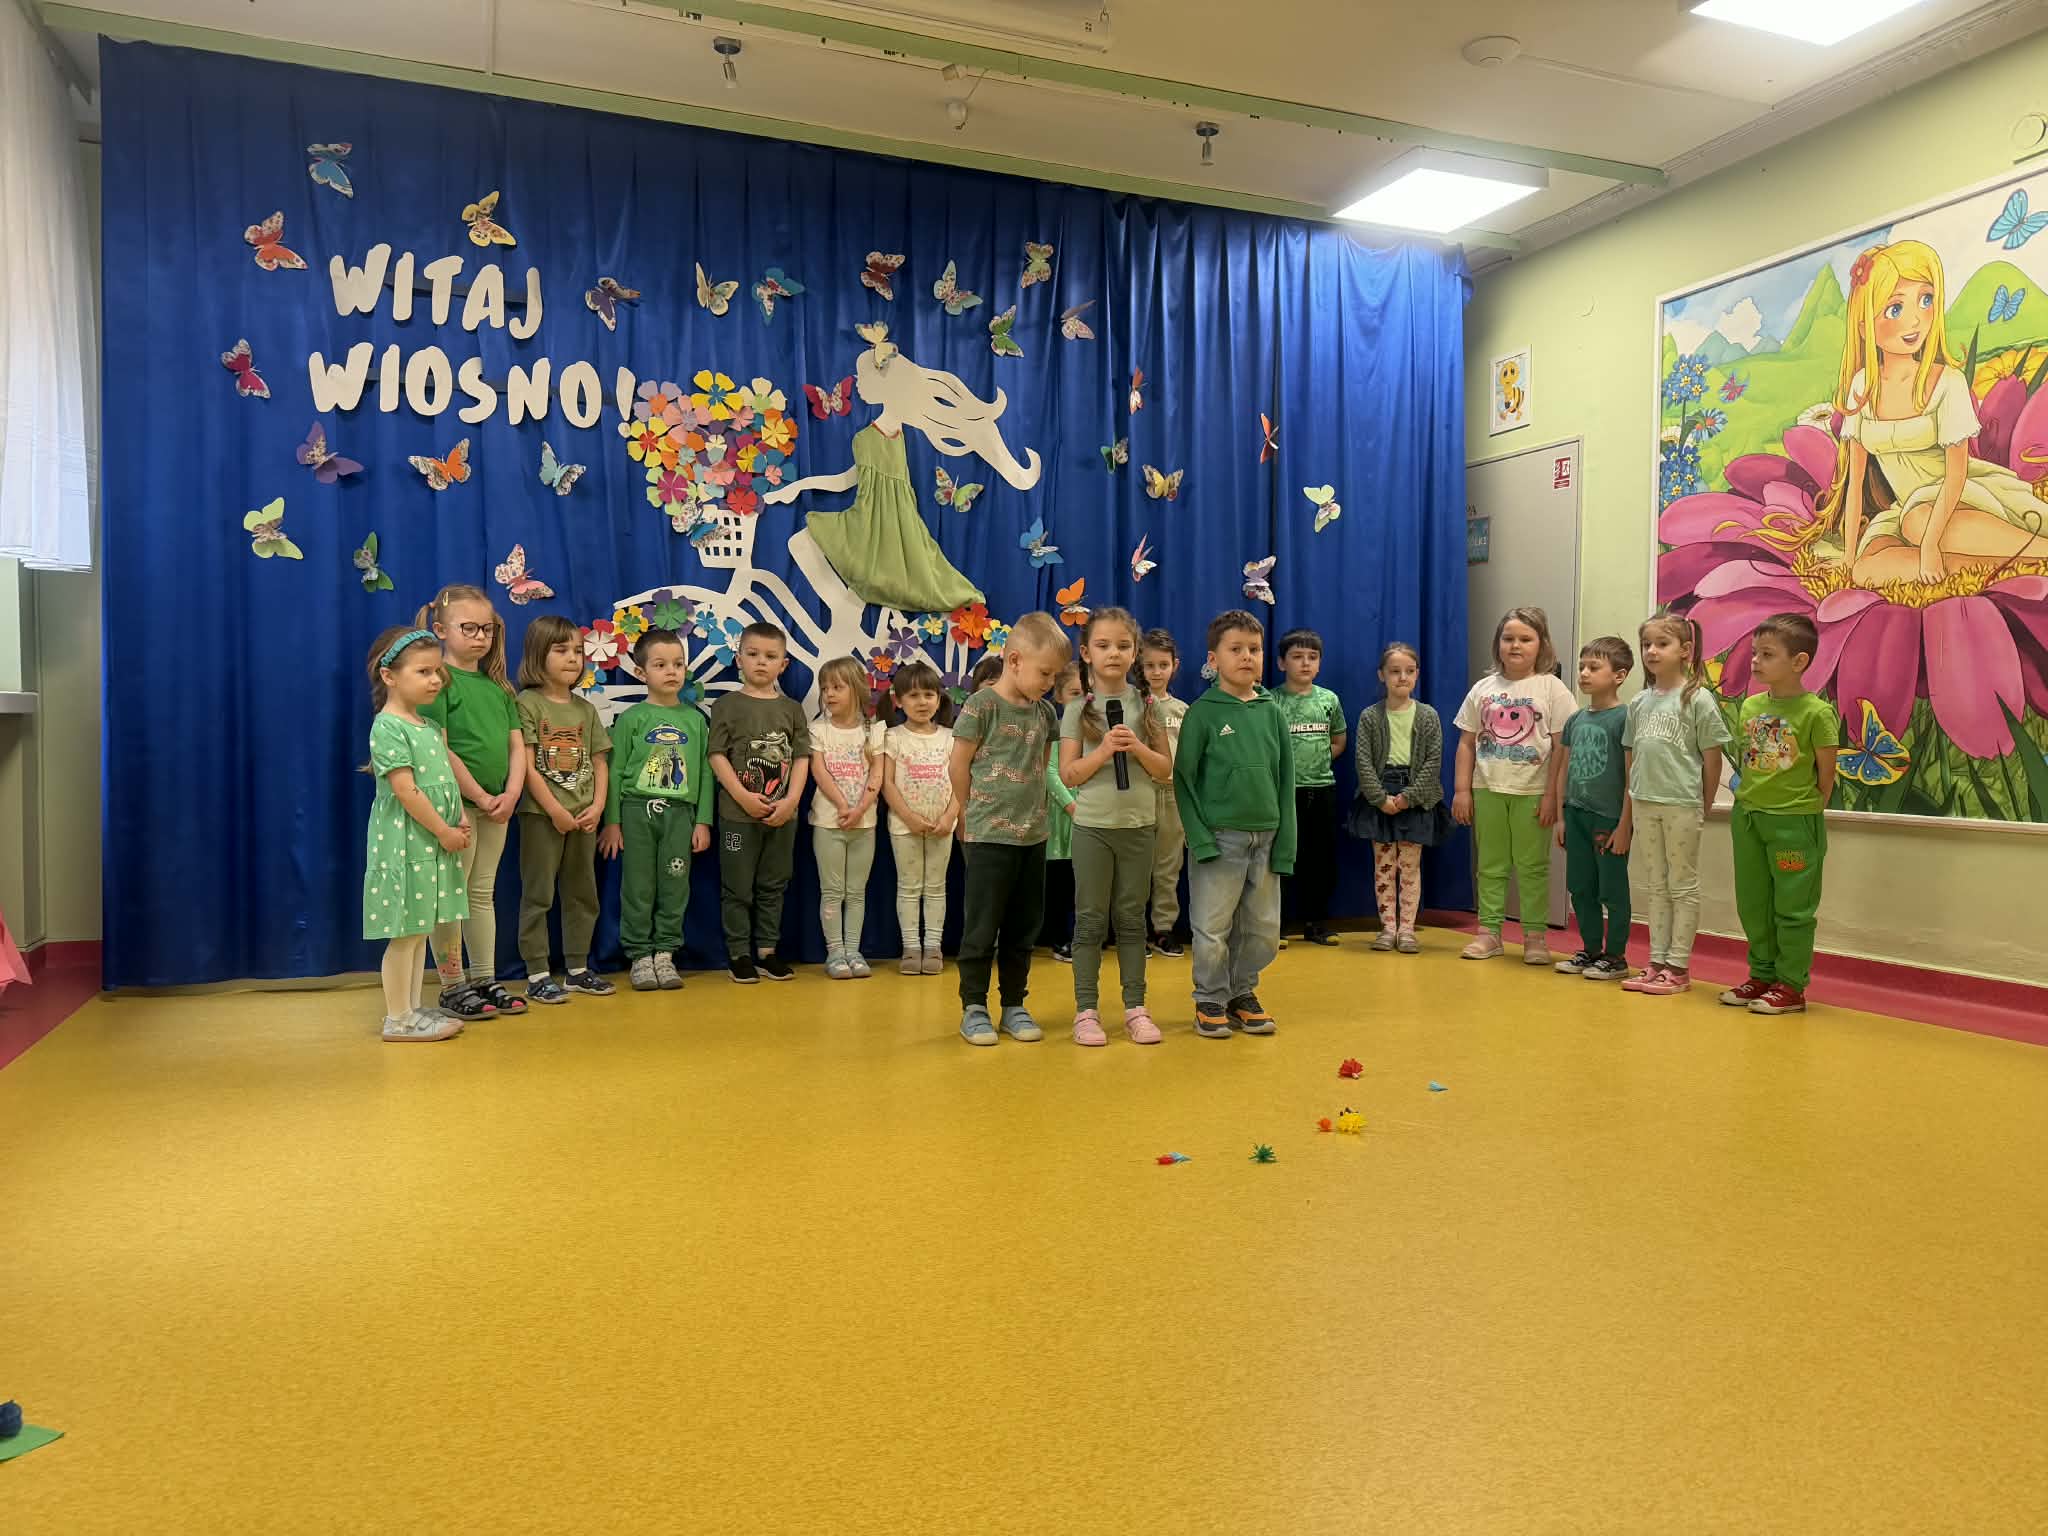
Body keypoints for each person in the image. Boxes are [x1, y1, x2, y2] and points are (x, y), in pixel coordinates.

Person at [1803, 240, 2048, 585]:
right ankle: (2001, 565)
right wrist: (1848, 556)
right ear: (1864, 326)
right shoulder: (1862, 387)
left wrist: (1931, 543)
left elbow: (1956, 474)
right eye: (1895, 309)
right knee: (1866, 569)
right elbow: (1855, 481)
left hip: (1957, 498)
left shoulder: (1947, 382)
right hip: (1904, 511)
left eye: (1926, 300)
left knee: (1918, 523)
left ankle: (2039, 551)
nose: (1916, 319)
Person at [761, 325, 1042, 613]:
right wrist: (799, 486)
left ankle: (843, 616)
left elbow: (846, 481)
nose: (857, 384)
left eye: (862, 378)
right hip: (902, 535)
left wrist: (797, 486)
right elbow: (852, 479)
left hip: (870, 534)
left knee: (803, 541)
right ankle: (846, 616)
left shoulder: (868, 437)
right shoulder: (897, 436)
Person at [947, 611, 1070, 1046]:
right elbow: (958, 765)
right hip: (988, 837)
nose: (1049, 684)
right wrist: (968, 813)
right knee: (982, 926)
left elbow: (1041, 767)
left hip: (1032, 837)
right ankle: (974, 1006)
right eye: (1044, 673)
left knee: (1023, 927)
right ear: (1014, 660)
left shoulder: (1045, 713)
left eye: (1055, 677)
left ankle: (1014, 1004)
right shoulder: (981, 706)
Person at [1175, 610, 1295, 1040]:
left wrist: (1285, 843)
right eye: (1236, 649)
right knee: (1212, 928)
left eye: (1254, 649)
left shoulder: (1272, 712)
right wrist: (1200, 839)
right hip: (1219, 839)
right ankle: (1210, 997)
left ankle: (1241, 991)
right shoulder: (1202, 713)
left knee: (1263, 931)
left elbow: (1286, 780)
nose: (1247, 657)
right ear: (1214, 659)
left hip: (1267, 838)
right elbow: (1183, 780)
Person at [1059, 607, 1173, 1047]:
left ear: (1135, 652)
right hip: (1093, 827)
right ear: (1086, 653)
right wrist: (1104, 750)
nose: (1114, 653)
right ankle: (1086, 1010)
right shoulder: (1076, 709)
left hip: (1139, 826)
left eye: (1123, 646)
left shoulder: (1148, 705)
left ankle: (1135, 1008)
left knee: (1131, 920)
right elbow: (1069, 774)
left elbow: (1164, 770)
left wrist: (1138, 748)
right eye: (1103, 645)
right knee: (1090, 920)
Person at [417, 584, 526, 1019]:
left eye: (487, 629)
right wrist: (478, 795)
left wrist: (511, 793)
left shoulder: (499, 688)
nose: (481, 637)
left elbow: (517, 745)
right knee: (451, 895)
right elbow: (439, 748)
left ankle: (483, 978)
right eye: (469, 628)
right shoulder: (437, 682)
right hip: (456, 807)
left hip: (497, 806)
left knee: (482, 892)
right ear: (441, 630)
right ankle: (452, 985)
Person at [1722, 613, 1838, 1016]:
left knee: (1792, 908)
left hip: (1793, 823)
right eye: (1755, 652)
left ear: (1799, 661)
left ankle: (1790, 985)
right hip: (1749, 818)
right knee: (1753, 904)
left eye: (1767, 654)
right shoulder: (1751, 706)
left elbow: (1826, 778)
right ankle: (1762, 974)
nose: (1755, 661)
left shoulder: (1817, 713)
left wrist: (1800, 812)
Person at [362, 627, 471, 1043]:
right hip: (408, 844)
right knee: (405, 934)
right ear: (390, 676)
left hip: (430, 843)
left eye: (437, 671)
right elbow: (406, 791)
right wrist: (443, 830)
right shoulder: (388, 727)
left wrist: (458, 815)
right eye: (423, 672)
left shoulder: (427, 725)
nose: (435, 679)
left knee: (419, 928)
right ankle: (398, 1019)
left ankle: (411, 1008)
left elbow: (443, 781)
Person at [1452, 606, 1576, 966]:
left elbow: (1562, 748)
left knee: (1533, 866)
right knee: (1490, 865)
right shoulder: (1483, 689)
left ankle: (1535, 937)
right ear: (1498, 644)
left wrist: (1553, 796)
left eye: (1525, 639)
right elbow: (1466, 743)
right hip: (1487, 789)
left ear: (1542, 644)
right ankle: (1489, 932)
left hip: (1533, 793)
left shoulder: (1552, 689)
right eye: (1508, 638)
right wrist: (1462, 790)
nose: (1516, 645)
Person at [598, 628, 713, 992]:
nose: (671, 671)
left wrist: (703, 821)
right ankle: (639, 955)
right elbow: (615, 772)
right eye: (660, 665)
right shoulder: (631, 719)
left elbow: (706, 772)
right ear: (641, 672)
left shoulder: (696, 720)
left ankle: (665, 952)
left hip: (680, 814)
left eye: (678, 664)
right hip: (637, 811)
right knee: (638, 885)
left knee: (675, 883)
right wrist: (612, 822)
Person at [1622, 615, 1729, 997]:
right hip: (1645, 802)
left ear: (1685, 651)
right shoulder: (1639, 702)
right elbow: (1631, 755)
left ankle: (1678, 967)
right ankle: (1656, 961)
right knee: (1656, 885)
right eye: (1647, 644)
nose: (1652, 651)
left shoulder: (1697, 699)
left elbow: (1712, 758)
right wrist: (1633, 796)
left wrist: (1704, 803)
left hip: (1682, 803)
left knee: (1682, 885)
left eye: (1662, 643)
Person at [513, 615, 615, 1005]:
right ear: (538, 654)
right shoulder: (527, 703)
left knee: (582, 892)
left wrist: (598, 806)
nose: (573, 658)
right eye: (561, 650)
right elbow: (525, 765)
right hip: (543, 817)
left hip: (584, 817)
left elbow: (600, 762)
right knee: (538, 893)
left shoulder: (585, 709)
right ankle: (537, 973)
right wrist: (554, 809)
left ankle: (577, 968)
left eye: (578, 650)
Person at [709, 622, 811, 984]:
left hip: (782, 817)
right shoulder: (726, 705)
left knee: (774, 883)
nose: (761, 662)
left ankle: (767, 952)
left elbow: (801, 758)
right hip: (737, 817)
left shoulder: (792, 709)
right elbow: (717, 756)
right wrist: (743, 797)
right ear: (739, 659)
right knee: (737, 886)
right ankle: (739, 953)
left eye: (770, 656)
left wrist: (791, 801)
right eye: (753, 655)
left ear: (783, 664)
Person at [1348, 642, 1453, 954]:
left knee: (1409, 866)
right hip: (1380, 795)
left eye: (1409, 671)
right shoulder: (1370, 716)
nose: (1402, 677)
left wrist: (1409, 798)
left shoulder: (1428, 716)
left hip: (1415, 798)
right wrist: (1380, 799)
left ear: (1417, 674)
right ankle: (1387, 928)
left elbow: (1433, 762)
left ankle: (1407, 929)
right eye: (1395, 671)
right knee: (1384, 865)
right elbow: (1363, 761)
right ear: (1382, 675)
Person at [1554, 637, 1635, 982]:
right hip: (1576, 814)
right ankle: (1590, 949)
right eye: (1582, 667)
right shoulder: (1575, 720)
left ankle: (1615, 956)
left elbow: (1631, 776)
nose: (1584, 673)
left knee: (1611, 890)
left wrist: (1625, 825)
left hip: (1609, 819)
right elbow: (1564, 769)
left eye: (1594, 667)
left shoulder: (1625, 718)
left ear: (1619, 676)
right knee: (1580, 886)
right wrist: (1561, 816)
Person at [809, 655, 886, 980]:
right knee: (832, 890)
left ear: (856, 689)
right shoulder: (819, 730)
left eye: (837, 687)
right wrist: (842, 805)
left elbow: (878, 773)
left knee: (856, 892)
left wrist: (860, 809)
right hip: (829, 823)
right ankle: (835, 952)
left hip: (864, 824)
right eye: (825, 688)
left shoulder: (874, 730)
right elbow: (819, 770)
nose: (829, 694)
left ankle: (853, 950)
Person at [881, 659, 957, 976]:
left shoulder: (951, 737)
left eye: (928, 694)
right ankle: (911, 947)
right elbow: (886, 783)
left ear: (939, 699)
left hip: (942, 826)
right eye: (913, 695)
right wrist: (909, 817)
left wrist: (949, 817)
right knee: (909, 887)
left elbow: (961, 782)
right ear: (899, 701)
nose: (922, 702)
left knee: (936, 887)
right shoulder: (893, 737)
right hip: (904, 826)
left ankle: (933, 946)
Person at [1273, 629, 1347, 946]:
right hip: (1284, 793)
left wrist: (1318, 759)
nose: (1305, 663)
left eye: (1312, 657)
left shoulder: (1329, 700)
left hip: (1322, 790)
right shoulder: (1271, 700)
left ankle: (1316, 923)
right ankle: (1277, 925)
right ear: (1281, 663)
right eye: (1297, 657)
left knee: (1320, 861)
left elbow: (1339, 740)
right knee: (1282, 859)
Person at [1139, 627, 1188, 957]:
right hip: (1140, 793)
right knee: (1136, 866)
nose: (1156, 672)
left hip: (1173, 795)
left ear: (1174, 666)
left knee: (1168, 866)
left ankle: (1163, 928)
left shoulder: (1183, 710)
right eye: (1149, 666)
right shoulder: (1133, 705)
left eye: (1163, 665)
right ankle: (1133, 928)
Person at [1041, 664, 1081, 962]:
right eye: (1074, 693)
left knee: (1084, 885)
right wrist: (1070, 805)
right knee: (1060, 884)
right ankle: (1060, 938)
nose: (1081, 699)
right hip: (1060, 818)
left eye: (1087, 693)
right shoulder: (1055, 730)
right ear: (1059, 696)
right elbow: (1049, 771)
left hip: (1090, 817)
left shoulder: (1096, 731)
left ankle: (1085, 936)